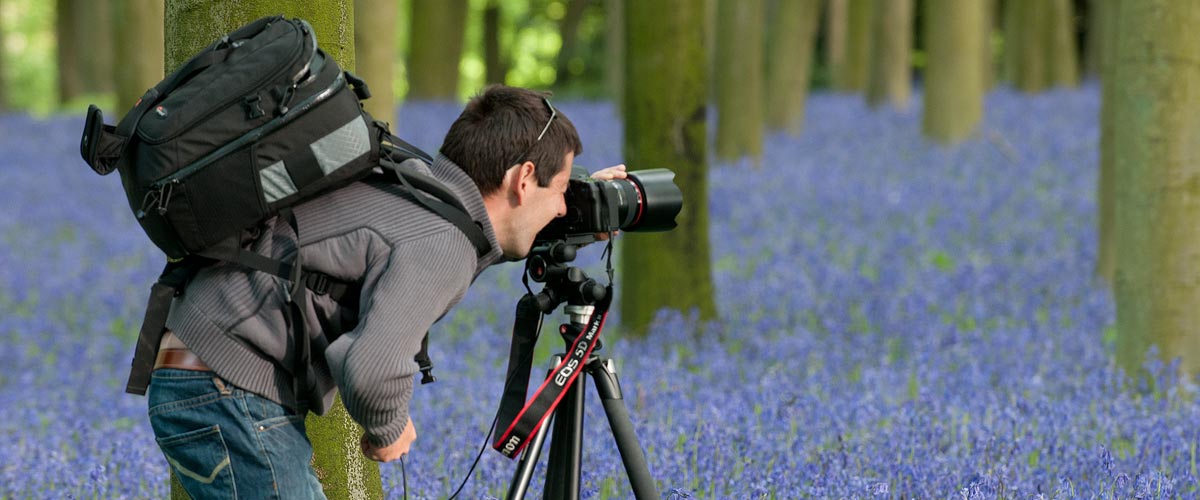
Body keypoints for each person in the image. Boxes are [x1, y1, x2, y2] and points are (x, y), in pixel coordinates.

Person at [146, 84, 628, 498]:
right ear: (524, 179)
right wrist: (389, 429)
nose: (563, 208)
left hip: (200, 368)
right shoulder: (443, 243)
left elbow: (493, 226)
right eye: (562, 191)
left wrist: (580, 208)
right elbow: (371, 369)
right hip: (224, 387)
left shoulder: (420, 185)